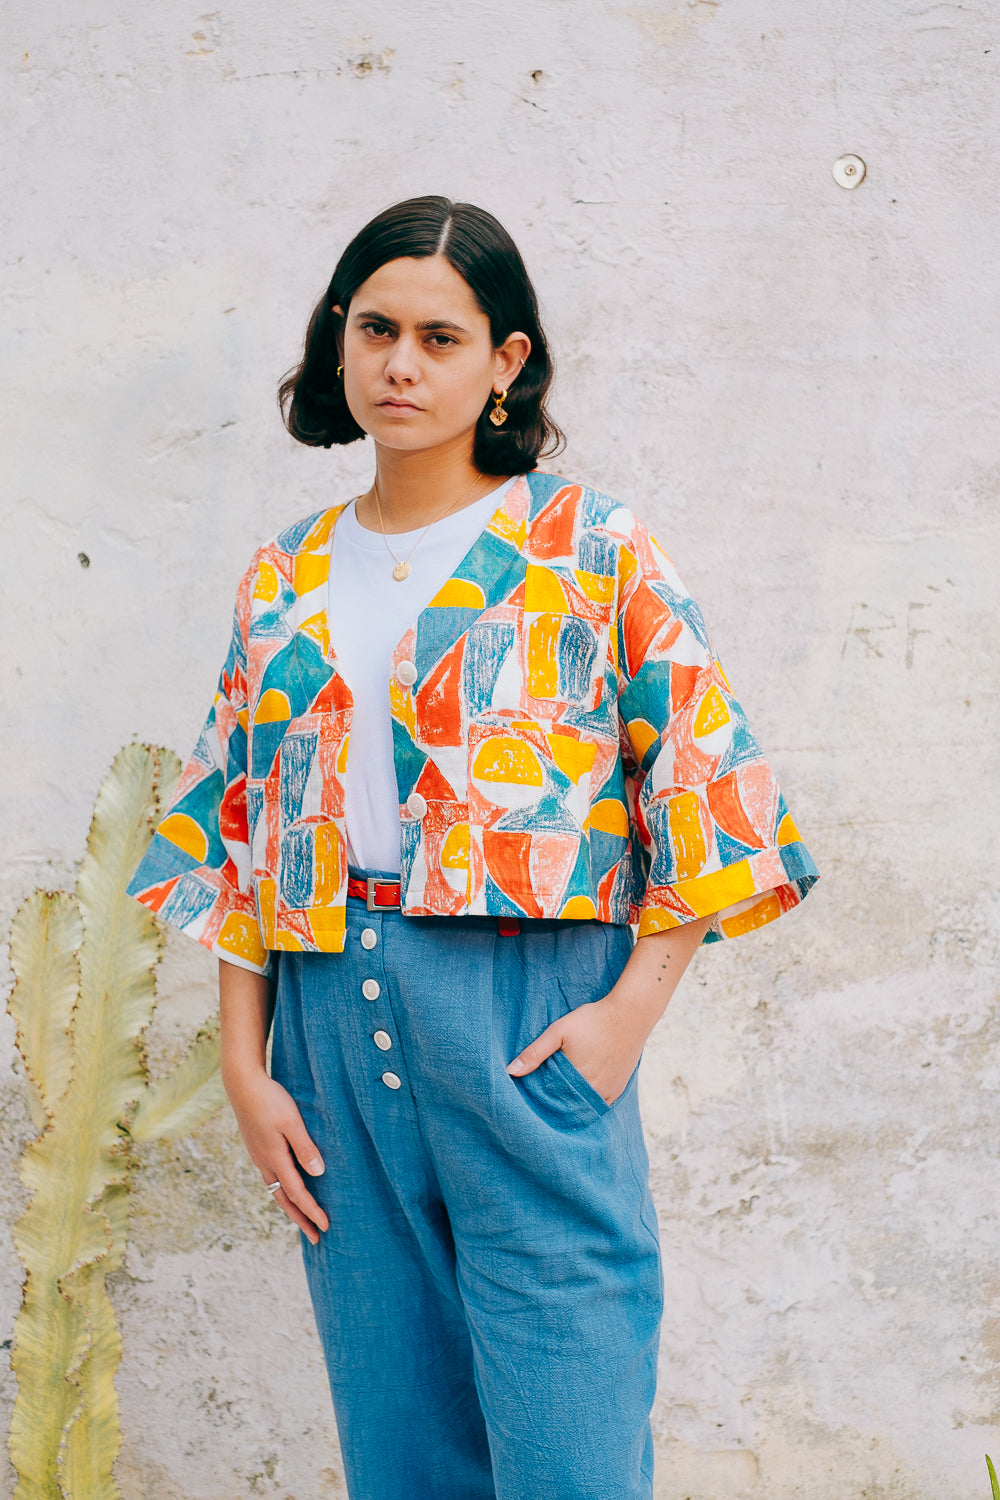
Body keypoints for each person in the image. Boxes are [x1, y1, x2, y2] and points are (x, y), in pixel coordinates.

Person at [128, 194, 818, 1500]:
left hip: (528, 1007)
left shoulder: (591, 549)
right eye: (376, 328)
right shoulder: (283, 577)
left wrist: (626, 1015)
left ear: (505, 363)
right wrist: (242, 1063)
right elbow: (235, 823)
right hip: (326, 1025)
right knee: (400, 1452)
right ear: (340, 341)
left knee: (569, 1442)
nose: (401, 364)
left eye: (441, 338)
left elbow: (703, 781)